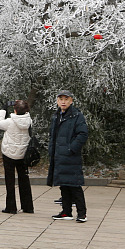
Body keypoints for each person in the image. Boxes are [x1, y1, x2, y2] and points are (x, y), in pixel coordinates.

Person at [47, 90, 88, 222]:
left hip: (70, 157)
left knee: (74, 185)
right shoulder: (56, 116)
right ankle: (66, 212)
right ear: (57, 101)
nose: (63, 101)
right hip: (59, 156)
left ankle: (82, 214)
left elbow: (82, 134)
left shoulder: (77, 116)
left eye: (66, 99)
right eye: (61, 99)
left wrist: (71, 149)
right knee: (63, 184)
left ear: (71, 101)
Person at [0, 99, 34, 214]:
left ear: (15, 110)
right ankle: (28, 206)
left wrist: (3, 109)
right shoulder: (29, 121)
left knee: (10, 180)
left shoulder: (9, 122)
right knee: (24, 179)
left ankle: (11, 207)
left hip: (9, 153)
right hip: (23, 153)